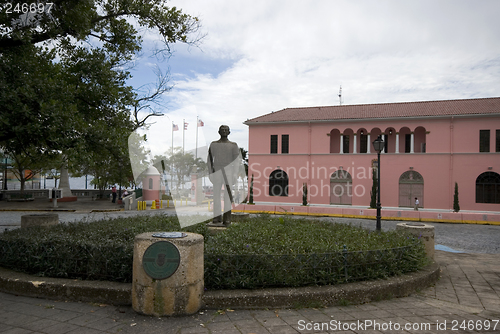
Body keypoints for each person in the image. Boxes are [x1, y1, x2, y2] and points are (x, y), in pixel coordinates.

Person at [207, 125, 240, 226]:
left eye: (226, 130)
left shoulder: (233, 145)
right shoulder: (214, 144)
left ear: (229, 132)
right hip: (217, 170)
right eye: (222, 130)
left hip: (228, 171)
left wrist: (235, 173)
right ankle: (216, 218)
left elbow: (237, 161)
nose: (224, 131)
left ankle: (227, 219)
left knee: (228, 196)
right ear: (219, 132)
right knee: (216, 195)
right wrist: (211, 173)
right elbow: (209, 160)